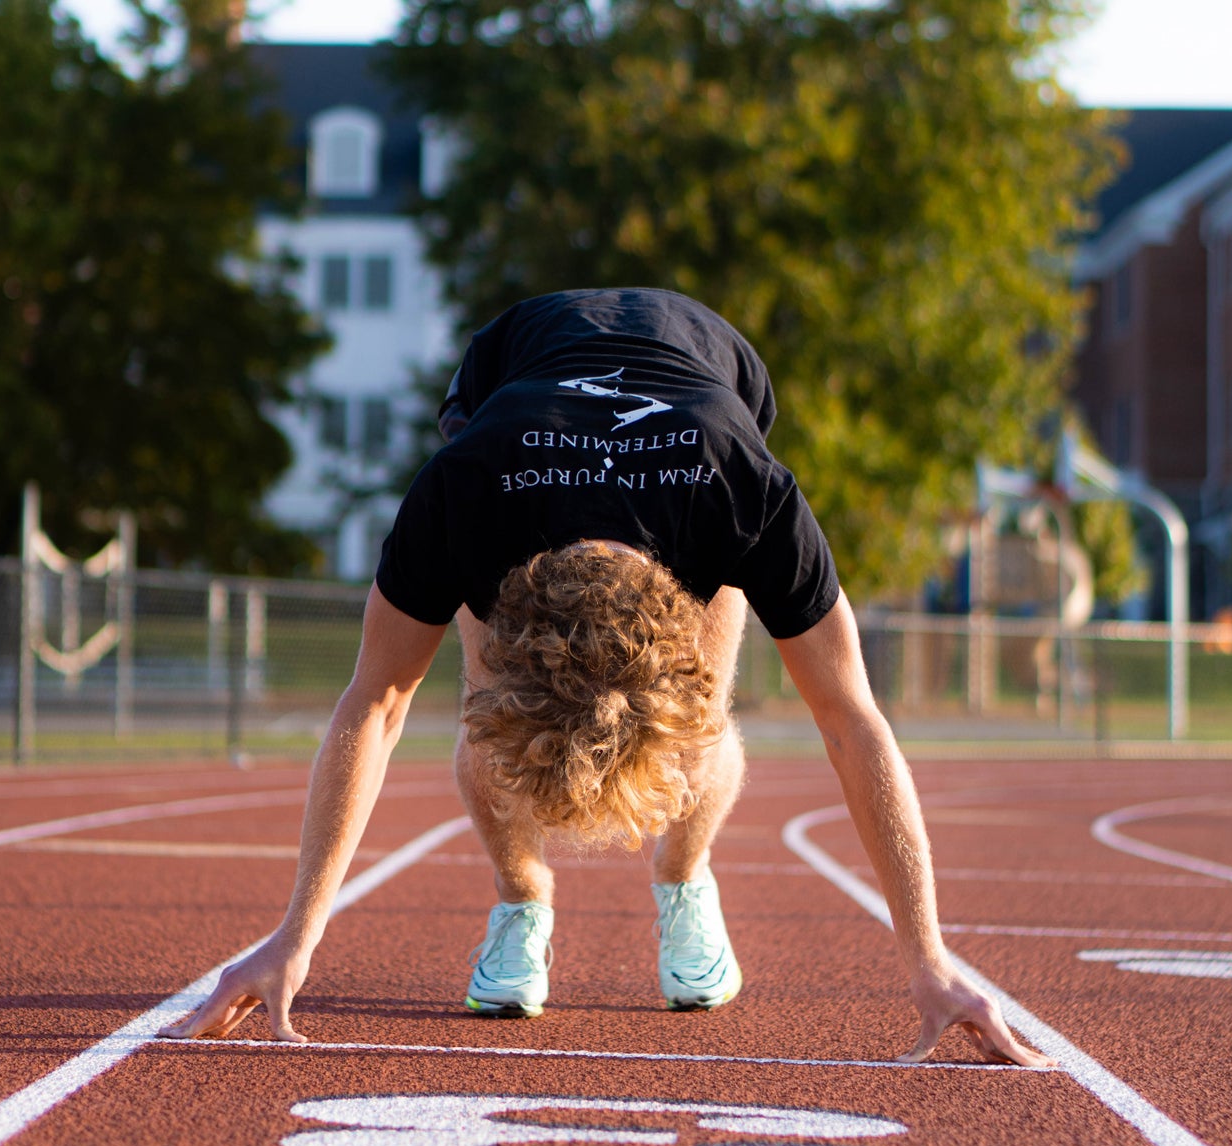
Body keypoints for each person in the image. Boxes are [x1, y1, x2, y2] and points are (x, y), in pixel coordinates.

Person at [161, 289, 1052, 1067]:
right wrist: (295, 935)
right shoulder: (463, 493)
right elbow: (378, 701)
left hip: (709, 364)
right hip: (515, 364)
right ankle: (521, 897)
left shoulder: (744, 495)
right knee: (495, 716)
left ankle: (684, 873)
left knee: (689, 721)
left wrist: (929, 954)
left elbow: (849, 717)